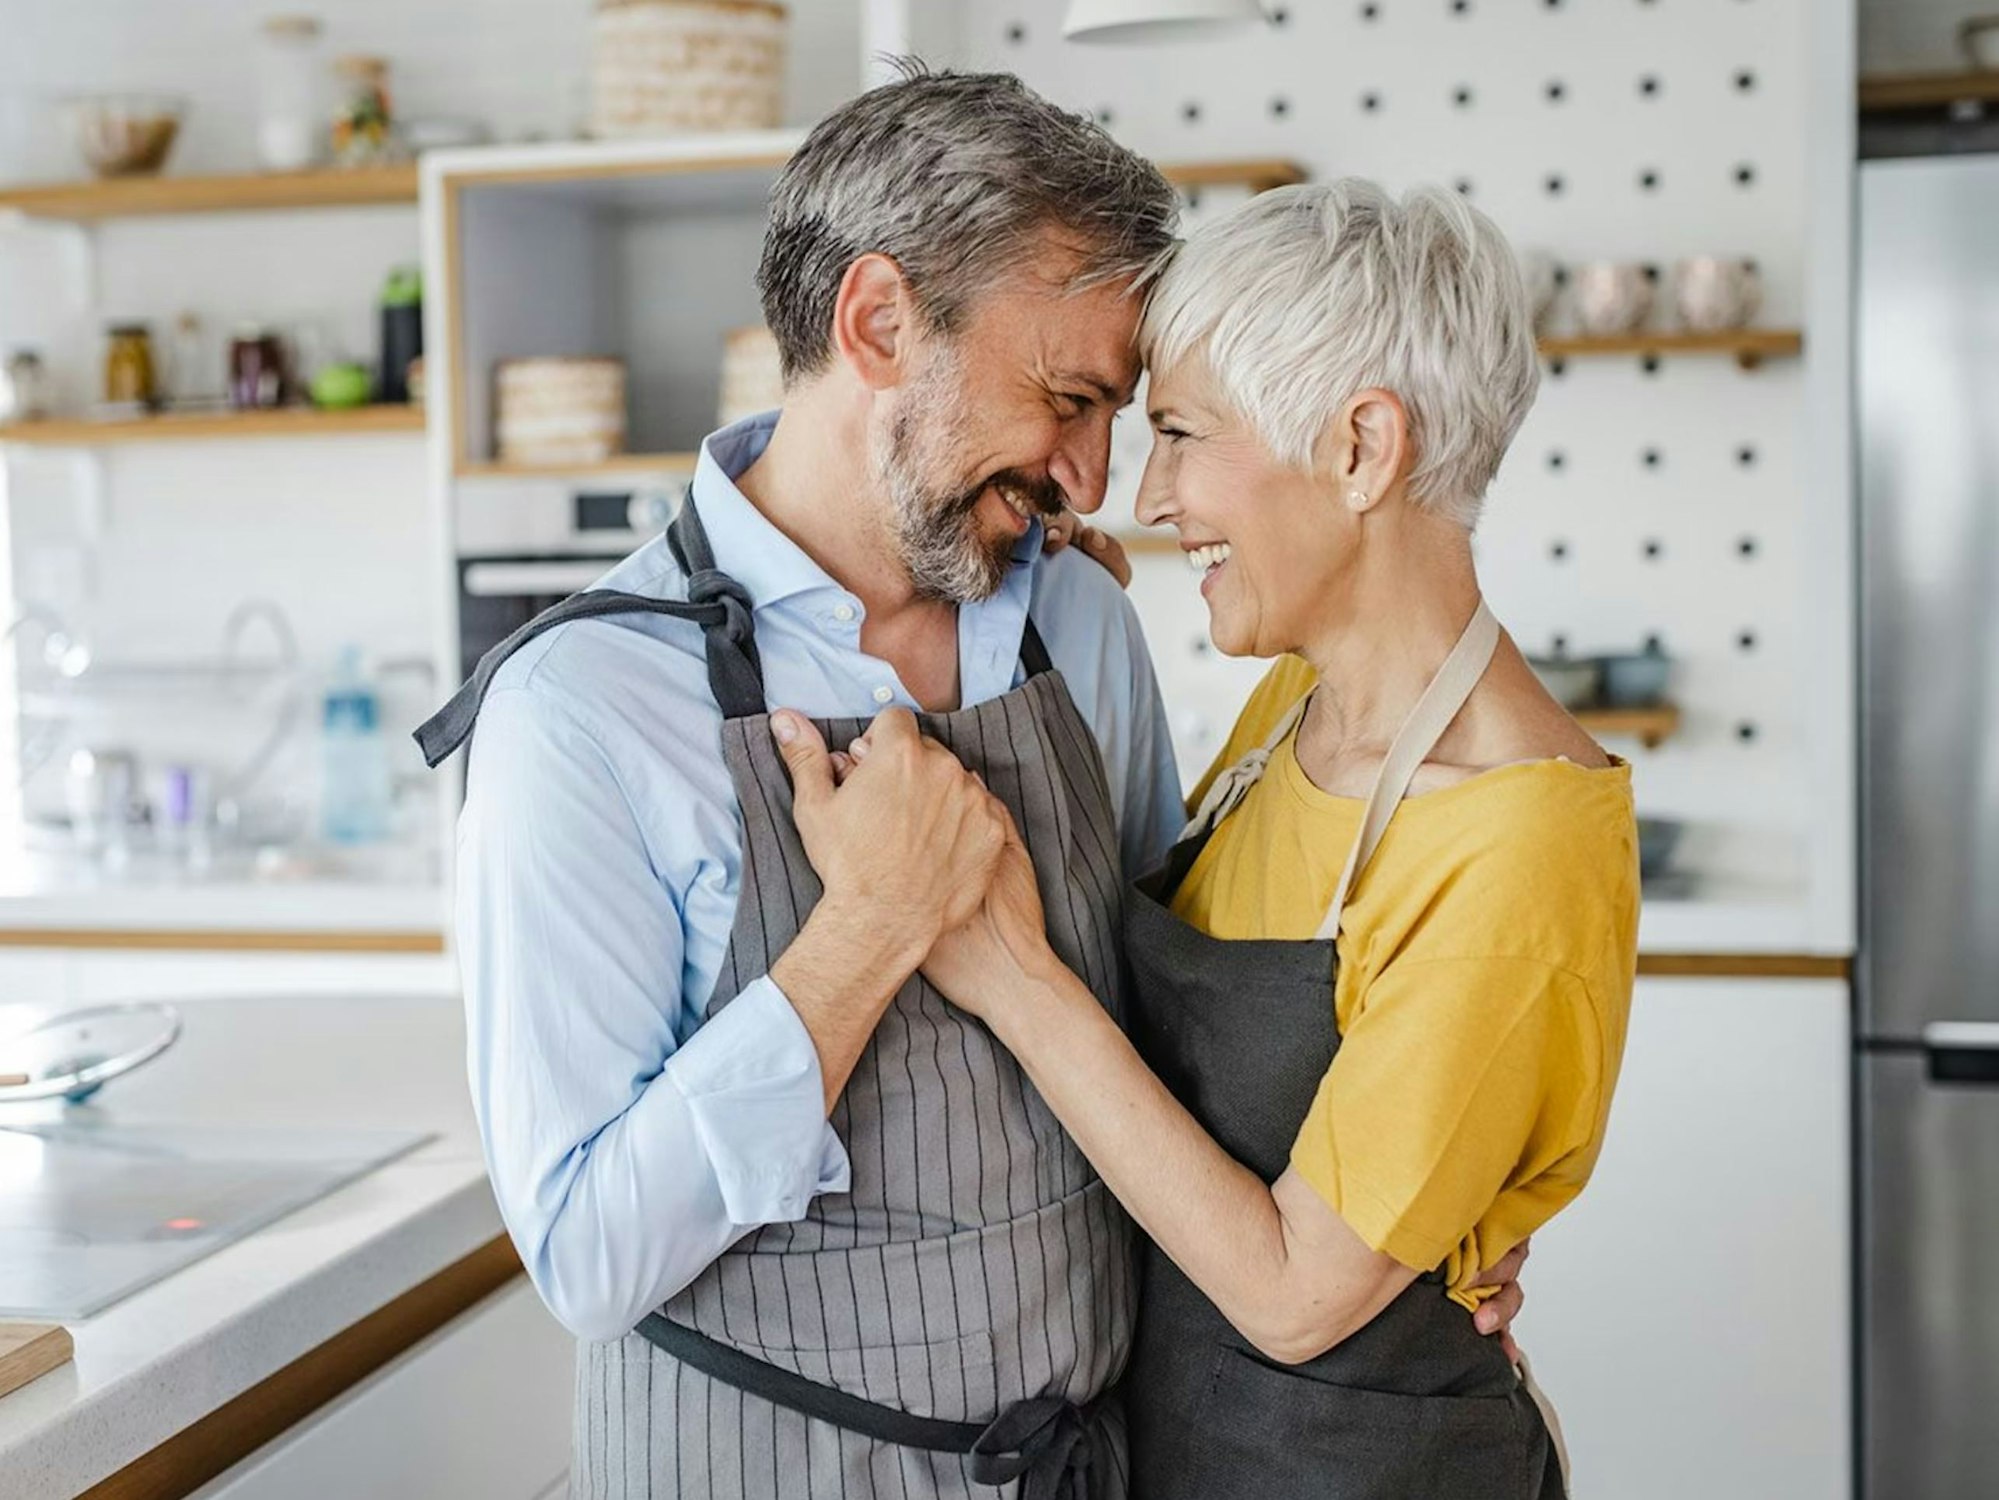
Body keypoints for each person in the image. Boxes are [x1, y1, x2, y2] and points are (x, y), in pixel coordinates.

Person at [420, 71, 1524, 1498]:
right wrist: (868, 933)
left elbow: (1166, 1036)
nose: (1091, 475)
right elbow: (584, 1253)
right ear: (876, 322)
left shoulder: (1078, 626)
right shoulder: (582, 716)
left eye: (1118, 416)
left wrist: (1412, 1229)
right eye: (1064, 399)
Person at [807, 180, 1638, 1499]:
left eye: (1184, 434)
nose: (1150, 492)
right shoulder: (1297, 706)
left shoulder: (1516, 836)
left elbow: (1304, 1295)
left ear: (1363, 449)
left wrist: (997, 958)